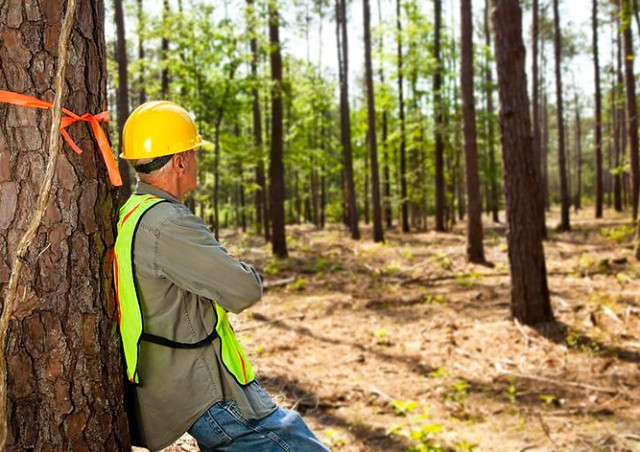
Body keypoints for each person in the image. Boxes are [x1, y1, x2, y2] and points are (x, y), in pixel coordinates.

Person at [113, 101, 328, 452]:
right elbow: (243, 289)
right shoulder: (168, 224)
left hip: (182, 382)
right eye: (192, 153)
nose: (196, 161)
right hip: (207, 391)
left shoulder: (133, 213)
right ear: (180, 162)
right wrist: (233, 263)